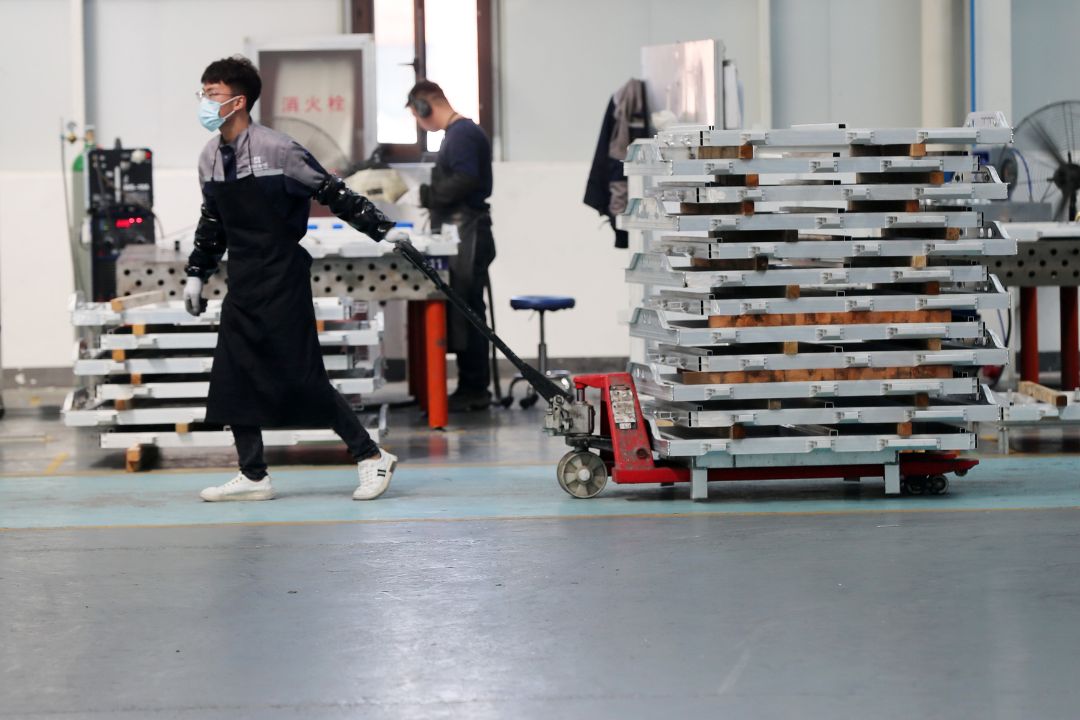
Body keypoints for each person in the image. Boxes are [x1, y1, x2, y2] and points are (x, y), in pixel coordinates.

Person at [184, 55, 398, 502]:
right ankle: (253, 474)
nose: (204, 101)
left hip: (283, 275)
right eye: (202, 92)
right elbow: (213, 220)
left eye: (212, 93)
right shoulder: (209, 158)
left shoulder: (279, 150)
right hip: (242, 279)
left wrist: (382, 229)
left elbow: (332, 191)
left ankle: (371, 454)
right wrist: (197, 273)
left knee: (302, 376)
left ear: (238, 101)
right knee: (234, 375)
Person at [406, 80, 496, 412]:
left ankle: (474, 388)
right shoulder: (458, 135)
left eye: (417, 116)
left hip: (467, 231)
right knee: (465, 310)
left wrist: (426, 195)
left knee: (468, 311)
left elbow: (466, 179)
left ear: (424, 108)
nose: (420, 123)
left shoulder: (462, 135)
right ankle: (471, 386)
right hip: (464, 230)